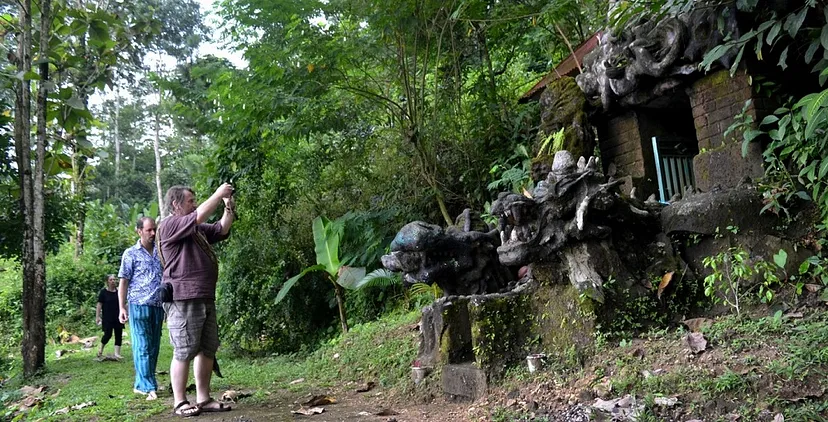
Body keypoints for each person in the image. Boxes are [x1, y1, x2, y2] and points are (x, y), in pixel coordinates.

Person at [158, 184, 235, 417]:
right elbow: (199, 215)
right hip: (183, 297)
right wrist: (218, 194)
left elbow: (221, 229)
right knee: (184, 349)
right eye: (190, 201)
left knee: (207, 348)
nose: (194, 204)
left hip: (204, 294)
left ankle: (203, 398)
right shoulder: (169, 225)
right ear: (176, 204)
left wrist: (228, 207)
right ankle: (180, 402)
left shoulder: (196, 229)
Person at [118, 216, 165, 401]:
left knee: (153, 347)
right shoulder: (130, 254)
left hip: (157, 306)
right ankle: (148, 386)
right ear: (139, 231)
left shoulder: (161, 251)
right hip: (138, 305)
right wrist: (121, 307)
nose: (153, 233)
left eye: (155, 229)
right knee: (142, 346)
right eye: (149, 230)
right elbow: (123, 282)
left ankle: (141, 383)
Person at [96, 274, 123, 359]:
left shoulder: (119, 291)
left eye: (114, 279)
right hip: (107, 317)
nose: (113, 281)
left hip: (118, 316)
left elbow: (123, 302)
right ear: (107, 281)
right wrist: (97, 316)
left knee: (119, 334)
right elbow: (99, 304)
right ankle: (100, 350)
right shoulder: (103, 292)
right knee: (108, 334)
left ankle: (117, 353)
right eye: (111, 280)